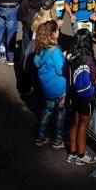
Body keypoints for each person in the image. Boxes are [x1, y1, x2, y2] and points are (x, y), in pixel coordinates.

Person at [65, 29, 96, 165]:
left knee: (74, 122)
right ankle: (81, 154)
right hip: (87, 96)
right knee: (83, 125)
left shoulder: (69, 55)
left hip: (73, 94)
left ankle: (72, 153)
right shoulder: (88, 59)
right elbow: (94, 80)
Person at [31, 20, 67, 148]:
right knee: (60, 113)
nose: (59, 32)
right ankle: (58, 139)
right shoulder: (55, 51)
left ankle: (40, 136)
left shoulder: (40, 48)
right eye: (57, 30)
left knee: (48, 110)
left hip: (46, 87)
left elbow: (37, 63)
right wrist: (65, 58)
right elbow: (60, 70)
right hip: (59, 87)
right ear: (52, 34)